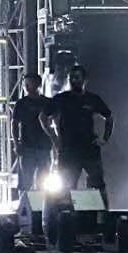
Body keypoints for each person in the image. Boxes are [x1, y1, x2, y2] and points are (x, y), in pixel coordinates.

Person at [42, 65, 114, 207]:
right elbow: (43, 117)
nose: (74, 80)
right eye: (71, 78)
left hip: (89, 148)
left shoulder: (92, 99)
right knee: (66, 185)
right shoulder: (61, 98)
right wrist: (55, 139)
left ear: (85, 80)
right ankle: (66, 214)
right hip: (68, 149)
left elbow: (109, 117)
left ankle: (101, 213)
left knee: (97, 183)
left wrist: (104, 139)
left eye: (77, 77)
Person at [12, 73, 53, 191]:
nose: (26, 86)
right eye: (25, 84)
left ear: (38, 84)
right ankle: (24, 202)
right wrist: (16, 143)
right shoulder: (21, 103)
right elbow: (14, 124)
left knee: (44, 181)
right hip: (27, 147)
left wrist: (55, 139)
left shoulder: (47, 102)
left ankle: (41, 202)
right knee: (25, 182)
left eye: (29, 83)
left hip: (44, 146)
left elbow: (56, 120)